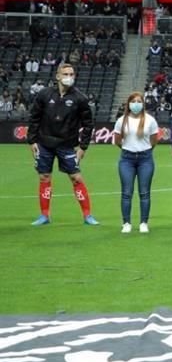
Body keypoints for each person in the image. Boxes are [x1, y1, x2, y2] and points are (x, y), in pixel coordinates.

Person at [27, 62, 98, 226]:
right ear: (58, 76)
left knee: (76, 178)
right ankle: (44, 216)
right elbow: (34, 118)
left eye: (71, 74)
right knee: (44, 177)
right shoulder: (44, 94)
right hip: (44, 143)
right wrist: (32, 141)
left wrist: (83, 147)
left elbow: (88, 124)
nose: (69, 78)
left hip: (67, 145)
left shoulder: (80, 98)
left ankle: (87, 216)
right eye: (65, 74)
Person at [113, 91, 159, 234]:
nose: (136, 104)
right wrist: (128, 149)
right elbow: (117, 140)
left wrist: (144, 150)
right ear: (129, 104)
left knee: (144, 192)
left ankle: (144, 222)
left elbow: (154, 139)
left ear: (143, 104)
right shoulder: (122, 120)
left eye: (139, 101)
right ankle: (126, 223)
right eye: (133, 102)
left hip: (145, 158)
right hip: (127, 159)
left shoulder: (150, 120)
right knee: (126, 192)